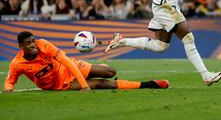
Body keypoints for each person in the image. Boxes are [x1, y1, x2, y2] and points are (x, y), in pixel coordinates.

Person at [3, 31, 169, 92]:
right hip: (59, 84)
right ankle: (150, 84)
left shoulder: (44, 44)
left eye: (33, 41)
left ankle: (97, 69)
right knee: (101, 84)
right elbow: (10, 82)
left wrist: (83, 85)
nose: (33, 45)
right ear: (21, 46)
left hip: (70, 66)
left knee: (111, 72)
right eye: (28, 43)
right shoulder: (17, 64)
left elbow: (68, 63)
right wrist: (8, 89)